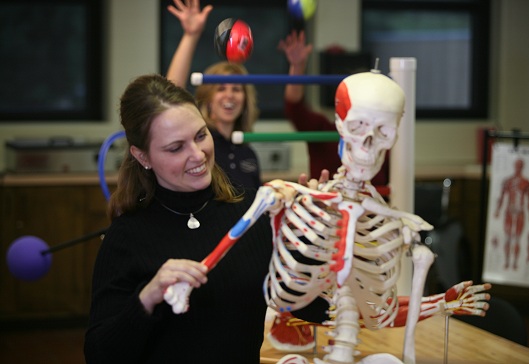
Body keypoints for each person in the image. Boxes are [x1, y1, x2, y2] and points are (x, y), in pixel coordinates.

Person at [84, 74, 274, 363]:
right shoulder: (126, 238)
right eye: (176, 148)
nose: (198, 155)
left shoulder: (253, 211)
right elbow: (99, 355)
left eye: (201, 135)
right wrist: (147, 298)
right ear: (143, 156)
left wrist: (317, 236)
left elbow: (311, 308)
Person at [165, 0, 261, 189]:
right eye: (221, 89)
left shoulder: (248, 153)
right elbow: (169, 96)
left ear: (245, 100)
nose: (230, 95)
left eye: (236, 89)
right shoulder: (199, 147)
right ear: (207, 98)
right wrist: (191, 36)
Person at [278, 30, 389, 186]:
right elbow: (294, 107)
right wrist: (297, 67)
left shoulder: (380, 140)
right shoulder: (323, 129)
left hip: (370, 209)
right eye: (354, 98)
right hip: (326, 209)